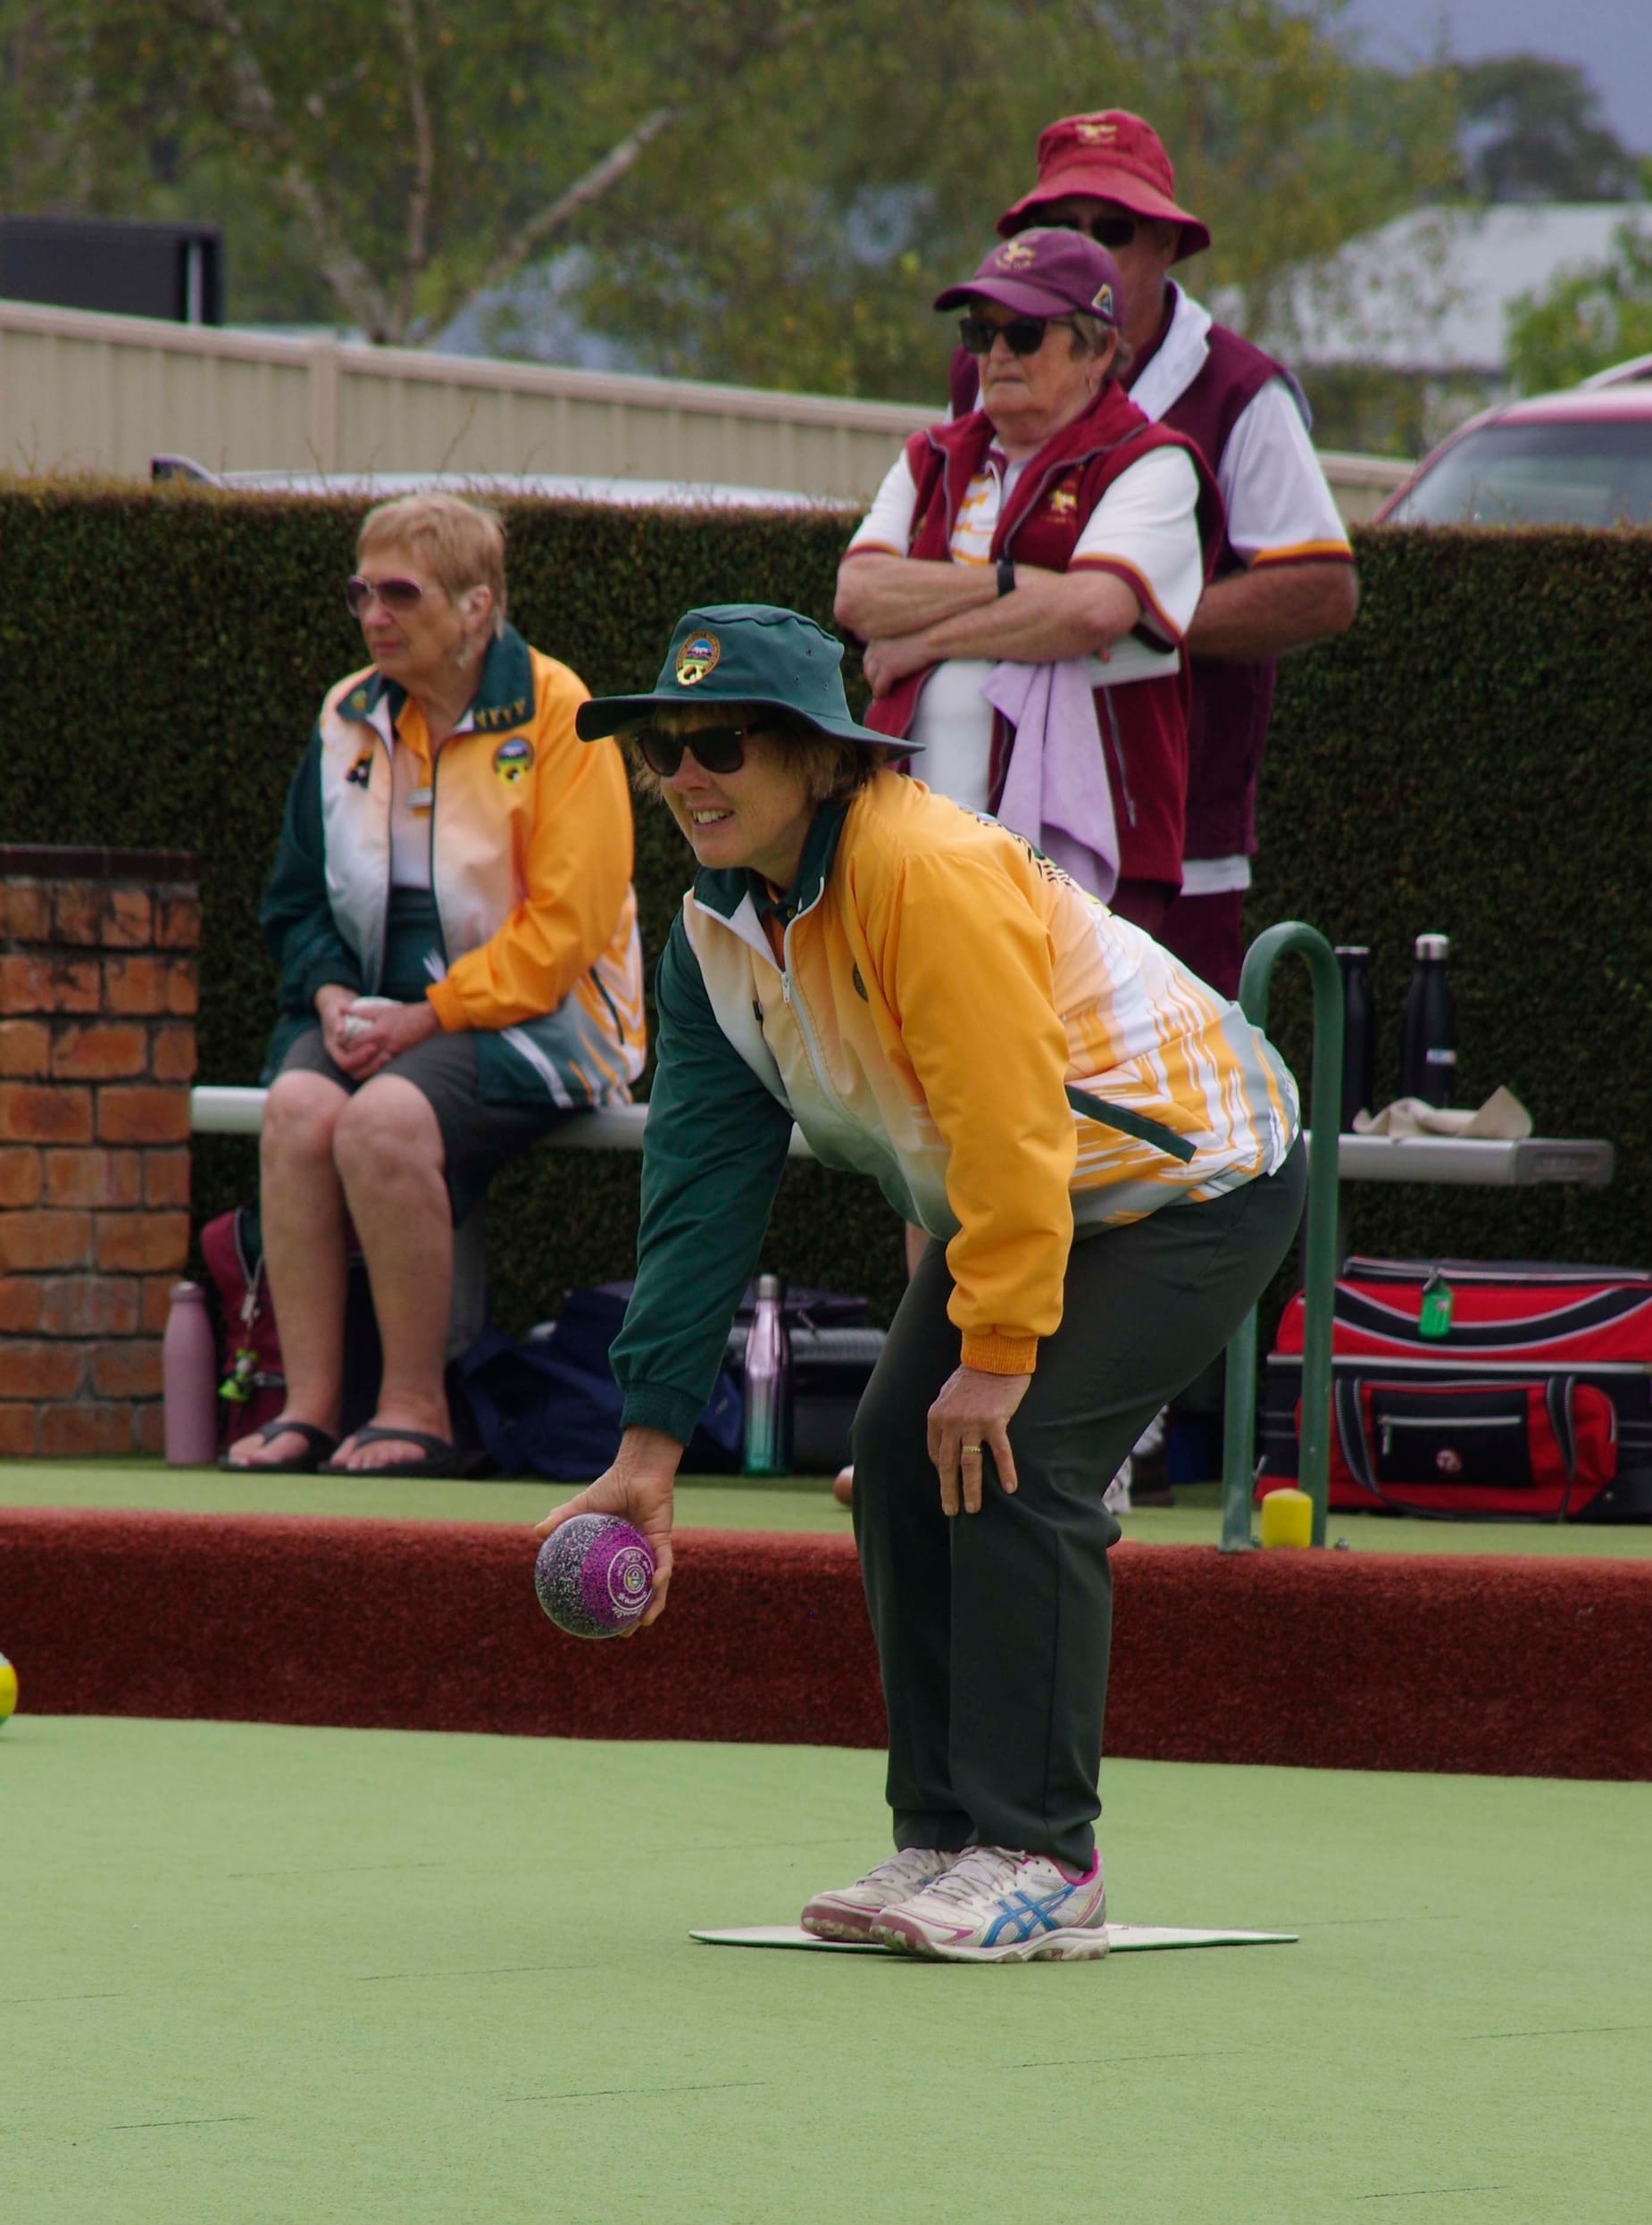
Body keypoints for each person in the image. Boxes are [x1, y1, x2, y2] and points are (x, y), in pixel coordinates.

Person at [540, 603, 1306, 1962]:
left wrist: (1000, 1354)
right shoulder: (719, 927)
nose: (685, 777)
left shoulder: (922, 869)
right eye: (664, 749)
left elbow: (1012, 1121)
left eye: (720, 742)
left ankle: (1046, 1852)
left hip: (1200, 1182)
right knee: (900, 1448)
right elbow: (702, 1188)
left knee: (1012, 1450)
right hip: (1036, 1199)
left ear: (825, 760)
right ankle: (946, 1836)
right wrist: (648, 1447)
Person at [226, 492, 646, 1476]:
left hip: (555, 1013)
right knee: (293, 1109)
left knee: (382, 1123)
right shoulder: (345, 713)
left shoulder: (558, 709)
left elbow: (567, 931)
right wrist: (330, 997)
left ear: (474, 606)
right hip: (376, 1014)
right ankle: (311, 1407)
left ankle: (416, 1409)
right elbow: (295, 902)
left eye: (400, 593)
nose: (374, 614)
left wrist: (425, 1018)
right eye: (360, 592)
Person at [954, 109, 1358, 997]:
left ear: (1166, 248)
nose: (1086, 249)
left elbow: (1323, 588)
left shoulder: (1237, 390)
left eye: (1113, 230)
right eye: (1059, 228)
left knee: (1161, 1123)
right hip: (990, 822)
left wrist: (1131, 616)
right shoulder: (987, 366)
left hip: (1173, 849)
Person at [836, 225, 1217, 934]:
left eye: (1026, 332)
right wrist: (1011, 582)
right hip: (912, 865)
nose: (998, 353)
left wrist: (924, 642)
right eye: (981, 333)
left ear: (1099, 349)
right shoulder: (931, 456)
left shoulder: (1153, 463)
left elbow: (1091, 611)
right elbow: (857, 596)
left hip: (1086, 879)